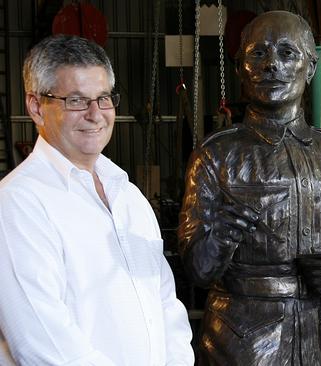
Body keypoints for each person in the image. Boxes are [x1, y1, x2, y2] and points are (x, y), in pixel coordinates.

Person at [177, 11, 321, 366]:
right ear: (239, 69)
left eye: (287, 53)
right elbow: (197, 271)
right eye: (258, 54)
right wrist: (222, 235)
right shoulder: (216, 156)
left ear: (310, 69)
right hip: (246, 344)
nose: (272, 65)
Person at [0, 35, 194, 365]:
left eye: (103, 98)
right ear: (35, 107)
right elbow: (41, 340)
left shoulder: (128, 196)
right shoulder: (19, 203)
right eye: (76, 100)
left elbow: (165, 306)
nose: (95, 114)